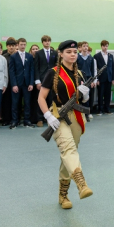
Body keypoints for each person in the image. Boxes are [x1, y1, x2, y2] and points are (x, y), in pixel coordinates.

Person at [38, 40, 93, 210]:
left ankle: (63, 194)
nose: (73, 54)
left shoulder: (80, 74)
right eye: (68, 52)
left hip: (76, 116)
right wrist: (48, 116)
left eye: (75, 52)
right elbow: (41, 98)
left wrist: (85, 95)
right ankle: (81, 184)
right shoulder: (52, 73)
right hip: (58, 116)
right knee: (68, 149)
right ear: (60, 54)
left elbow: (84, 100)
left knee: (68, 154)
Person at [8, 37, 35, 129]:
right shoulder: (13, 56)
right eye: (21, 44)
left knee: (27, 103)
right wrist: (14, 84)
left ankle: (27, 121)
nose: (23, 46)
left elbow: (32, 70)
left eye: (24, 45)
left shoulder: (29, 56)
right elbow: (11, 71)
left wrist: (31, 83)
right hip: (17, 83)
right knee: (15, 103)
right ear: (17, 45)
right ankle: (15, 121)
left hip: (27, 84)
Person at [34, 35, 57, 127]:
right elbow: (36, 67)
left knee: (51, 99)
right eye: (45, 41)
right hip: (42, 78)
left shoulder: (54, 52)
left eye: (48, 41)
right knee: (40, 99)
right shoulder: (38, 53)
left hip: (52, 78)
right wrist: (37, 81)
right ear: (42, 42)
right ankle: (40, 119)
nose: (47, 42)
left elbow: (57, 66)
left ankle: (50, 118)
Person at [93, 40, 114, 115]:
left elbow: (112, 67)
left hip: (109, 78)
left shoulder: (110, 56)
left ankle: (107, 109)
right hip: (101, 79)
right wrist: (97, 79)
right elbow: (95, 68)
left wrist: (113, 78)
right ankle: (100, 109)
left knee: (108, 94)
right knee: (100, 94)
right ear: (101, 46)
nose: (105, 47)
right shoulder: (96, 56)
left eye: (106, 46)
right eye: (104, 46)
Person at [76, 41, 95, 120]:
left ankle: (87, 114)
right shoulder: (77, 57)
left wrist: (93, 81)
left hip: (88, 79)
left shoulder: (90, 58)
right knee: (80, 96)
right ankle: (80, 114)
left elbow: (92, 70)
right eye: (84, 46)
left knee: (87, 97)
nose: (85, 47)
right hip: (80, 78)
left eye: (87, 46)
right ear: (80, 47)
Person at [1, 37, 17, 126]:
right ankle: (6, 119)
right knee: (6, 101)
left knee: (15, 101)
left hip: (16, 82)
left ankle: (15, 119)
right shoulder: (3, 57)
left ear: (16, 46)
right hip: (6, 82)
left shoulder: (18, 56)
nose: (11, 47)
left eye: (13, 45)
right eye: (10, 46)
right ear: (7, 46)